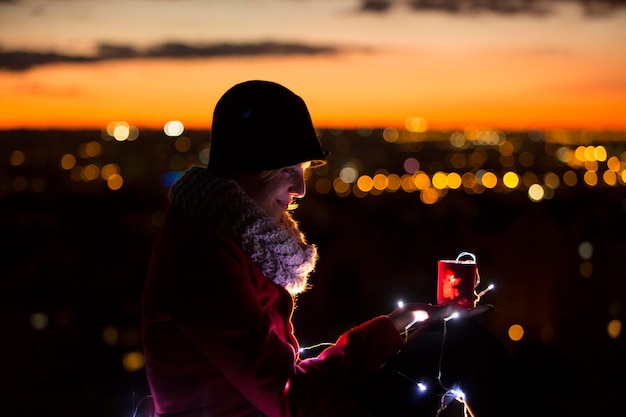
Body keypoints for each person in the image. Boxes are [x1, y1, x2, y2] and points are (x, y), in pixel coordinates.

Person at [140, 80, 467, 417]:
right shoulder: (205, 256)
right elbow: (289, 397)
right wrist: (387, 332)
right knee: (452, 357)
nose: (300, 189)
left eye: (303, 171)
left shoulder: (228, 239)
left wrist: (396, 325)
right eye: (289, 170)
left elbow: (275, 379)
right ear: (251, 167)